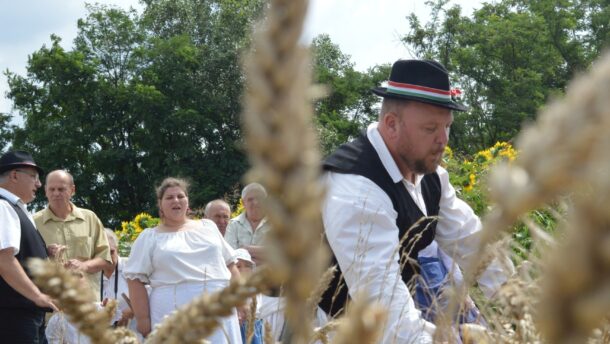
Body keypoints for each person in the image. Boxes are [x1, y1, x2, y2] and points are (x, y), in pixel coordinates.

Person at [318, 60, 514, 343]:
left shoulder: (431, 177)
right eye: (430, 128)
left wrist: (523, 304)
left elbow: (473, 241)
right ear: (392, 124)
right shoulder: (357, 191)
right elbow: (385, 313)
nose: (443, 140)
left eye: (447, 126)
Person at [124, 177, 242, 342]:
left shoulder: (208, 227)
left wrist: (241, 301)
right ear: (160, 204)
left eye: (180, 196)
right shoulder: (149, 238)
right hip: (172, 311)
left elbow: (230, 265)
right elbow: (134, 279)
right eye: (169, 197)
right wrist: (143, 319)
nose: (176, 200)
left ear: (187, 201)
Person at [0, 151, 58, 343]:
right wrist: (37, 296)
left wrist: (43, 252)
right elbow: (4, 259)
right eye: (33, 176)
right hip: (14, 316)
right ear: (14, 175)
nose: (39, 184)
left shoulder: (15, 207)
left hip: (25, 315)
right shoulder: (3, 206)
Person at [34, 169, 112, 300]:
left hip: (87, 300)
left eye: (61, 189)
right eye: (52, 189)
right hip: (53, 303)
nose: (56, 193)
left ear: (72, 190)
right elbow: (27, 263)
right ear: (45, 191)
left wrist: (84, 265)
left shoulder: (90, 218)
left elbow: (105, 258)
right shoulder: (34, 222)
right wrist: (46, 254)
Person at [225, 183, 270, 265]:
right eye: (250, 199)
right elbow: (229, 256)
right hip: (241, 276)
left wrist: (245, 248)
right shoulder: (233, 224)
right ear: (243, 202)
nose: (255, 202)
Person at [102, 228, 133, 327]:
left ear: (117, 249)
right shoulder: (91, 274)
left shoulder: (130, 267)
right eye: (103, 253)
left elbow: (149, 296)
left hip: (130, 332)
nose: (108, 258)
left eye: (111, 252)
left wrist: (131, 311)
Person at [234, 248, 264, 344]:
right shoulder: (231, 287)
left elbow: (255, 306)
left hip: (252, 324)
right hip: (238, 325)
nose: (241, 270)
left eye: (246, 266)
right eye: (237, 266)